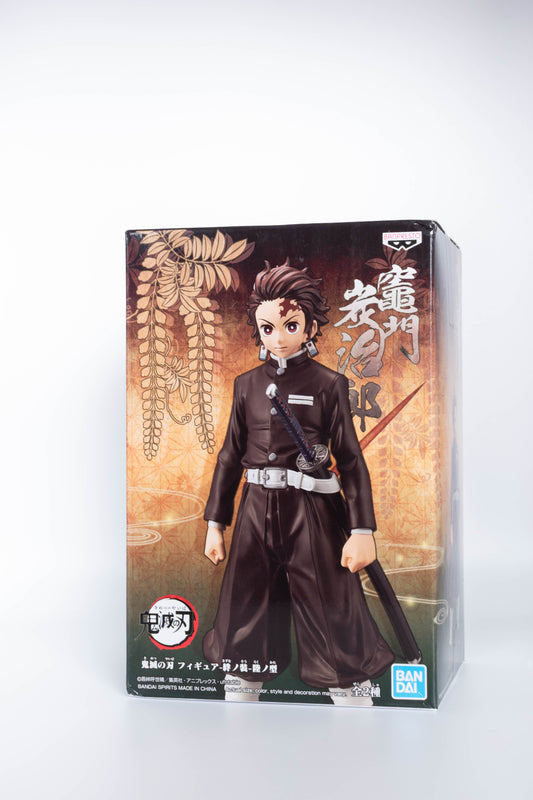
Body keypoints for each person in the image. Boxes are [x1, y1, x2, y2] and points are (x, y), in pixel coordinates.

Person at [203, 260, 394, 705]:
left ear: (309, 327)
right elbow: (230, 455)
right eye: (267, 328)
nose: (278, 337)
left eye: (290, 325)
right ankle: (243, 683)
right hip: (254, 507)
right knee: (246, 601)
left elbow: (350, 460)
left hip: (311, 510)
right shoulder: (247, 385)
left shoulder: (329, 384)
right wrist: (216, 523)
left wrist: (362, 530)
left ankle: (350, 690)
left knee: (329, 601)